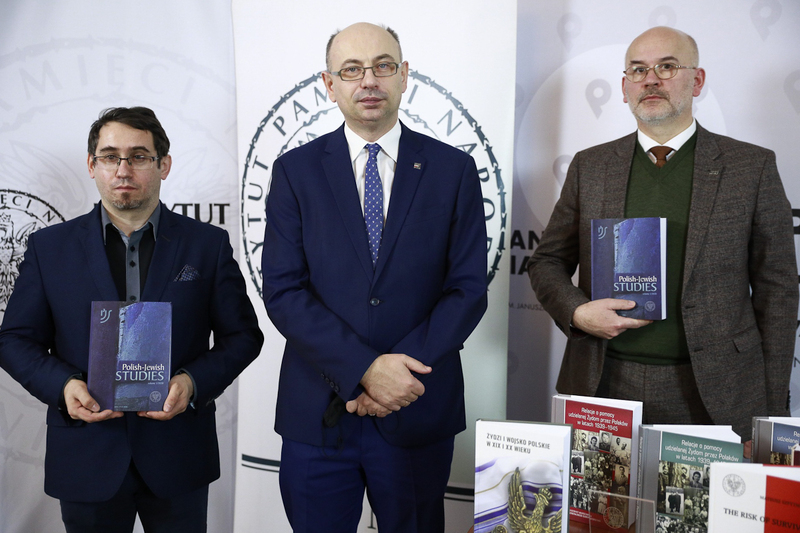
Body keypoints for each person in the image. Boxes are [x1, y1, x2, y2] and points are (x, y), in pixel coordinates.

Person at [261, 22, 487, 533]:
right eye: (352, 70)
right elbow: (283, 289)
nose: (369, 80)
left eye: (383, 66)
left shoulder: (454, 170)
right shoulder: (295, 172)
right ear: (329, 83)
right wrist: (364, 368)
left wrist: (396, 378)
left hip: (417, 406)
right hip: (318, 412)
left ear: (405, 76)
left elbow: (467, 290)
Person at [528, 26, 797, 446]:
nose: (650, 79)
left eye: (667, 66)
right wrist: (578, 314)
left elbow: (777, 291)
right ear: (623, 87)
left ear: (698, 80)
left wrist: (769, 414)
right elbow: (545, 262)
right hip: (603, 383)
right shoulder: (590, 166)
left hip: (716, 391)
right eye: (637, 70)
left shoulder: (751, 167)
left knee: (703, 514)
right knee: (603, 513)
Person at [0, 106, 264, 533]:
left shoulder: (207, 246)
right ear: (92, 165)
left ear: (164, 165)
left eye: (139, 156)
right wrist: (64, 386)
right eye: (110, 156)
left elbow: (243, 337)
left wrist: (192, 382)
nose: (123, 169)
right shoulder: (50, 249)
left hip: (179, 454)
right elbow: (13, 339)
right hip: (87, 455)